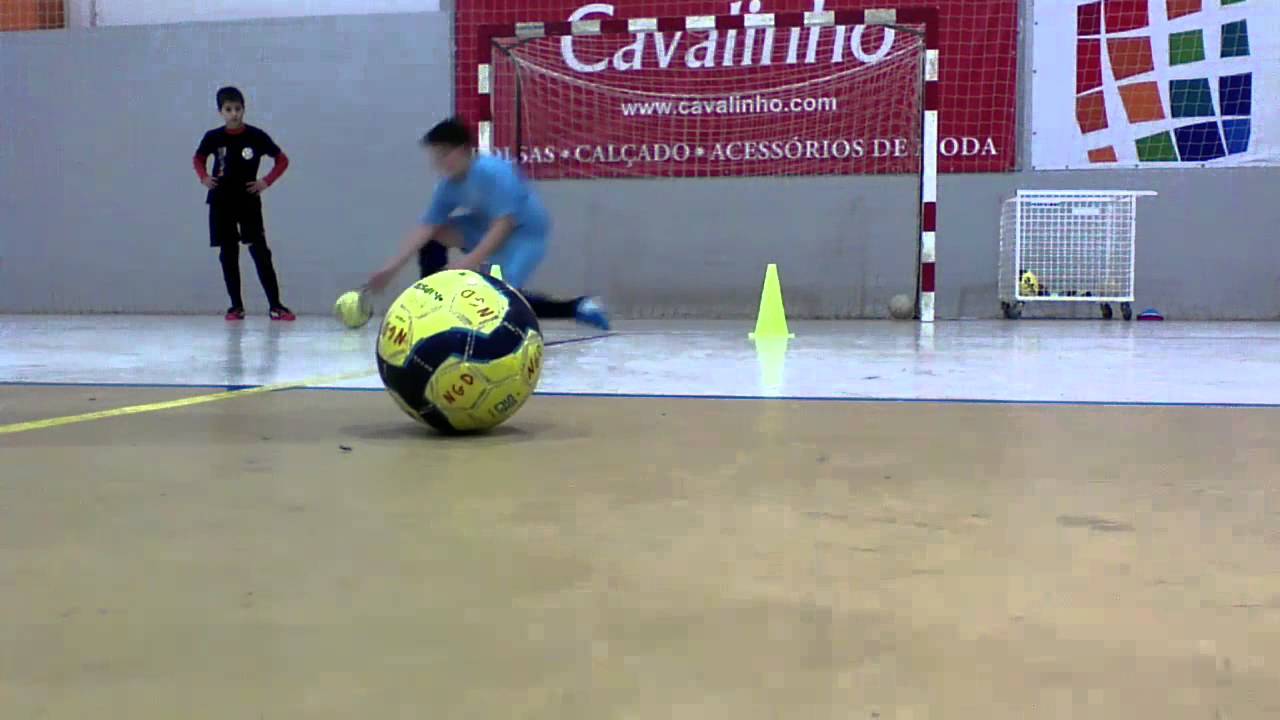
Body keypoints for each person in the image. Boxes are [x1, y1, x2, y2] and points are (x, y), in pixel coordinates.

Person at [366, 118, 610, 330]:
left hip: (523, 234)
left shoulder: (494, 172)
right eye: (435, 157)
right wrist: (390, 270)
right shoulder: (448, 186)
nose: (438, 163)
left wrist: (466, 265)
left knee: (502, 298)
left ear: (463, 150)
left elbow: (504, 225)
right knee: (435, 235)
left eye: (443, 155)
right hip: (484, 227)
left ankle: (577, 307)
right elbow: (426, 227)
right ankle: (434, 303)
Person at [194, 86, 295, 321]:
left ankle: (275, 305)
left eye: (237, 109)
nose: (234, 114)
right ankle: (236, 306)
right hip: (221, 201)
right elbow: (198, 158)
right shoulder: (213, 137)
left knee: (260, 251)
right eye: (228, 109)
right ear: (221, 112)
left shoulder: (256, 136)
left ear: (244, 109)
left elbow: (281, 160)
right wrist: (204, 177)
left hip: (248, 200)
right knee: (228, 253)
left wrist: (265, 182)